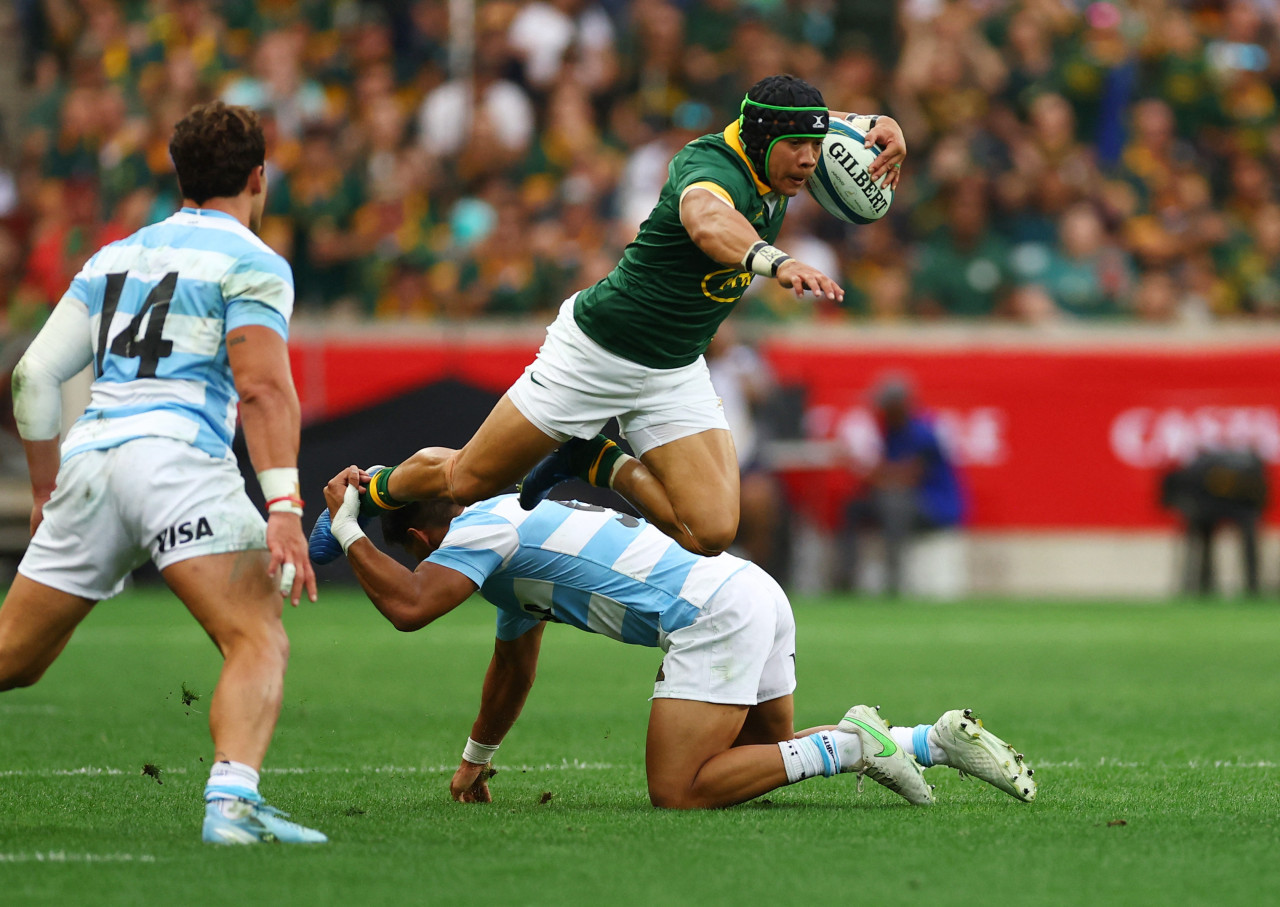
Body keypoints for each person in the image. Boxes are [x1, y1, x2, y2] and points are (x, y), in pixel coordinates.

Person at [357, 74, 907, 558]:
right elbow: (708, 222)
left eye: (816, 144)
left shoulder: (778, 148)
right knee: (466, 480)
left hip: (674, 367)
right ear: (763, 138)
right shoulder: (710, 167)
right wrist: (775, 261)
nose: (811, 160)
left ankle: (596, 462)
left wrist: (879, 123)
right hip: (598, 352)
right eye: (799, 147)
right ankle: (373, 488)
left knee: (710, 531)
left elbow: (816, 124)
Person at [311, 466, 1036, 810]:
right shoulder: (501, 529)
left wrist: (344, 527)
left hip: (713, 611)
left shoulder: (477, 531)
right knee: (761, 761)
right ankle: (929, 741)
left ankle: (851, 742)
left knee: (681, 790)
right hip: (751, 588)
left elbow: (409, 607)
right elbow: (513, 669)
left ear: (416, 537)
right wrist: (476, 761)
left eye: (414, 552)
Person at [0, 102, 326, 845]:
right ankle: (233, 803)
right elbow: (264, 388)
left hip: (91, 461)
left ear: (179, 177)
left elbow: (32, 379)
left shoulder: (113, 257)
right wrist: (283, 505)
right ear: (258, 177)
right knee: (256, 635)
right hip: (177, 461)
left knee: (12, 659)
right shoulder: (251, 259)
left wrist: (48, 488)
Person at [844, 377, 965, 597]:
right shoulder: (891, 432)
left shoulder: (923, 433)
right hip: (906, 502)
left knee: (893, 504)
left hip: (935, 506)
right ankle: (845, 577)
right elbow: (884, 473)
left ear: (899, 406)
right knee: (854, 507)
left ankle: (895, 581)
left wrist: (872, 474)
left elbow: (907, 476)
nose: (880, 411)